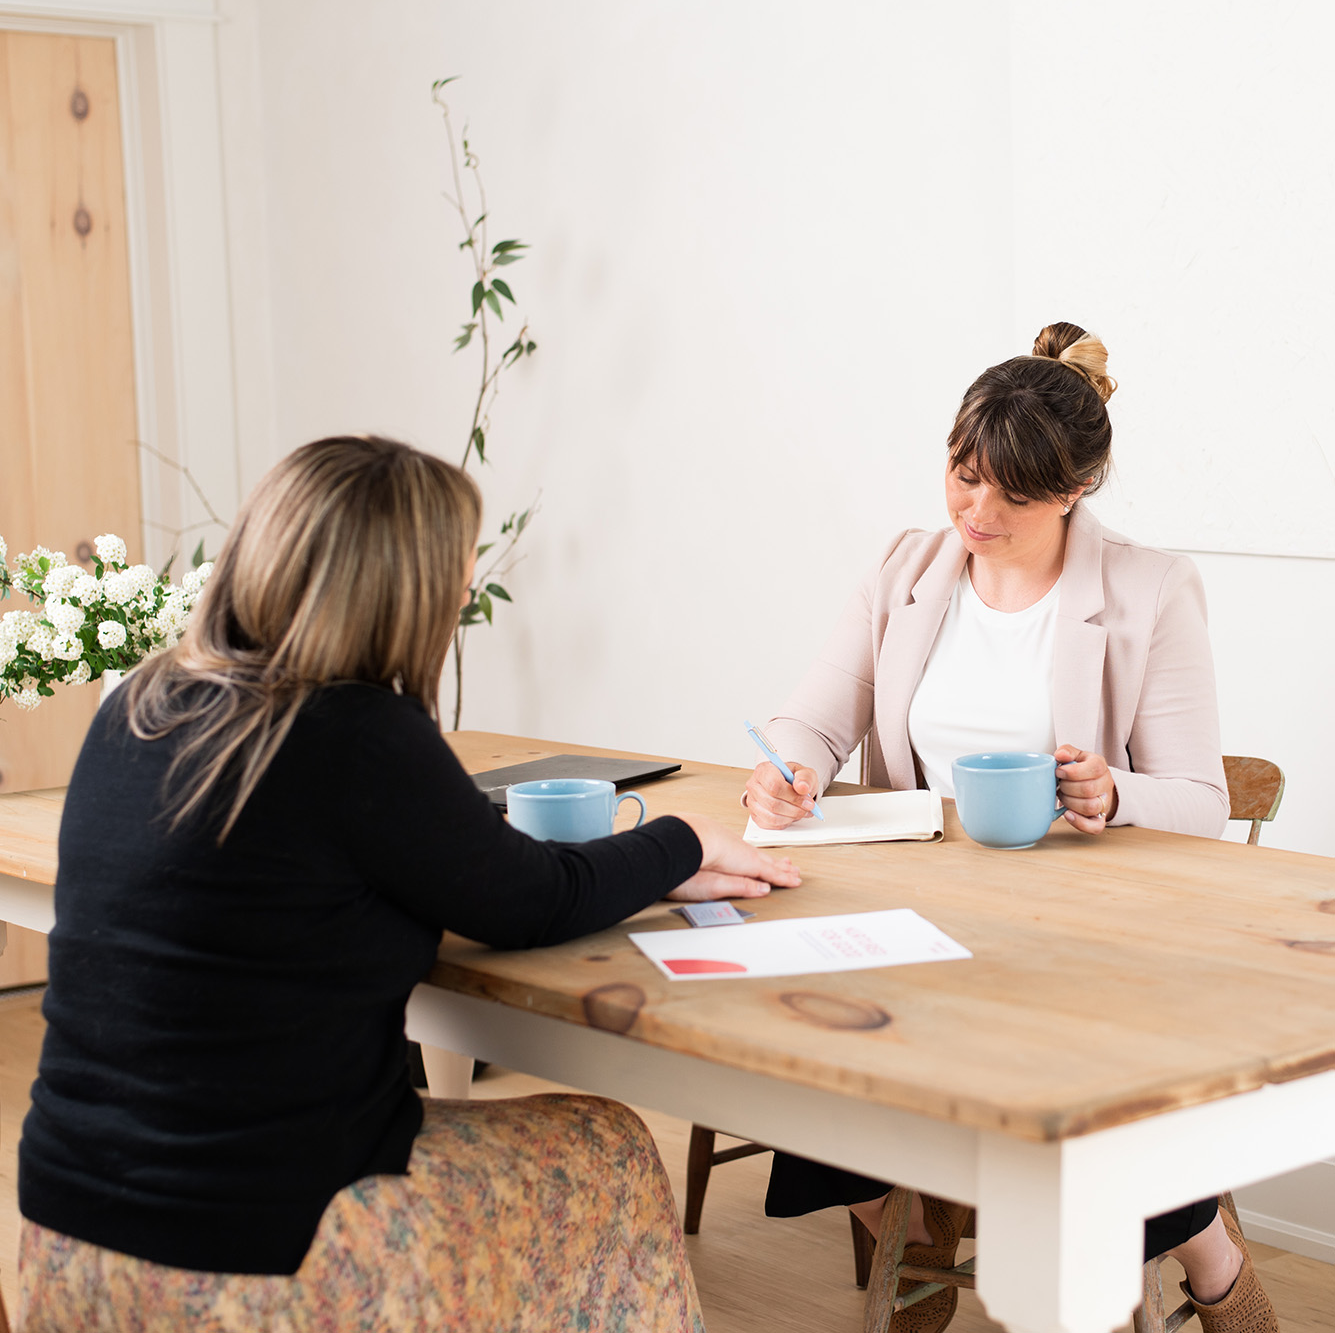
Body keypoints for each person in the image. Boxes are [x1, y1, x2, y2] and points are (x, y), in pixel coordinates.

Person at [18, 435, 800, 1333]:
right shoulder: (353, 730)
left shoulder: (141, 703)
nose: (466, 590)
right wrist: (679, 840)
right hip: (265, 1239)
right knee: (608, 1143)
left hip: (62, 1231)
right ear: (394, 584)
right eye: (456, 568)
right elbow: (531, 900)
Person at [743, 325, 1278, 1333]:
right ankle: (926, 1208)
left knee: (1071, 1085)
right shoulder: (906, 569)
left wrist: (1113, 794)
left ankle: (1207, 1253)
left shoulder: (1148, 590)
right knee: (794, 1045)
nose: (976, 512)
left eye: (1012, 493)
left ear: (1075, 489)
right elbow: (815, 715)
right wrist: (791, 765)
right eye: (962, 474)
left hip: (1088, 931)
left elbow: (1201, 802)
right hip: (920, 913)